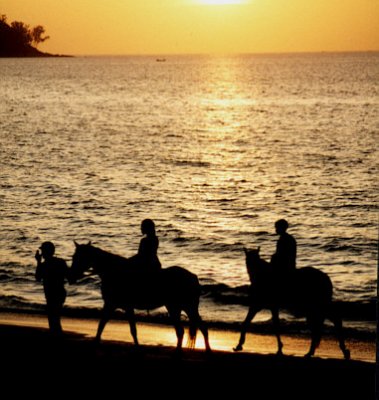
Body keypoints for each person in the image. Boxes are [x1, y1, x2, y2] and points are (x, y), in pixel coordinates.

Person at [35, 241, 68, 336]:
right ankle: (57, 336)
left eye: (43, 251)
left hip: (51, 294)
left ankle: (57, 337)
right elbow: (69, 276)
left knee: (53, 318)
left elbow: (37, 277)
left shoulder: (44, 265)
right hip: (60, 293)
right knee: (55, 318)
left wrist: (38, 262)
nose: (42, 254)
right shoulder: (61, 262)